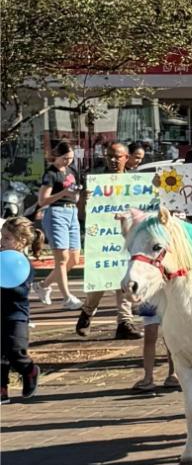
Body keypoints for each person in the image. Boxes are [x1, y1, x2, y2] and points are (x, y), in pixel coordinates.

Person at [76, 141, 144, 342]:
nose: (114, 160)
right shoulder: (96, 182)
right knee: (100, 280)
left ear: (127, 158)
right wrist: (84, 199)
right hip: (102, 237)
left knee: (124, 278)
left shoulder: (134, 183)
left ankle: (125, 322)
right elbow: (82, 214)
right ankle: (87, 311)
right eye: (110, 156)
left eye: (118, 156)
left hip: (125, 238)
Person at [35, 142, 84, 310]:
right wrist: (63, 193)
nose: (68, 162)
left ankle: (43, 285)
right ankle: (67, 297)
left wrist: (79, 193)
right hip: (56, 212)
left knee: (74, 258)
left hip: (72, 212)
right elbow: (42, 201)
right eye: (65, 158)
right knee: (62, 259)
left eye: (70, 158)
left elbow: (75, 191)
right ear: (56, 156)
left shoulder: (72, 171)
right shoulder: (51, 174)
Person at [2, 217, 42, 402]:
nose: (2, 242)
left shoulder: (23, 264)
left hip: (16, 315)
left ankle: (29, 371)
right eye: (2, 237)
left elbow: (19, 290)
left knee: (15, 351)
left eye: (7, 238)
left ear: (21, 241)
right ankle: (2, 389)